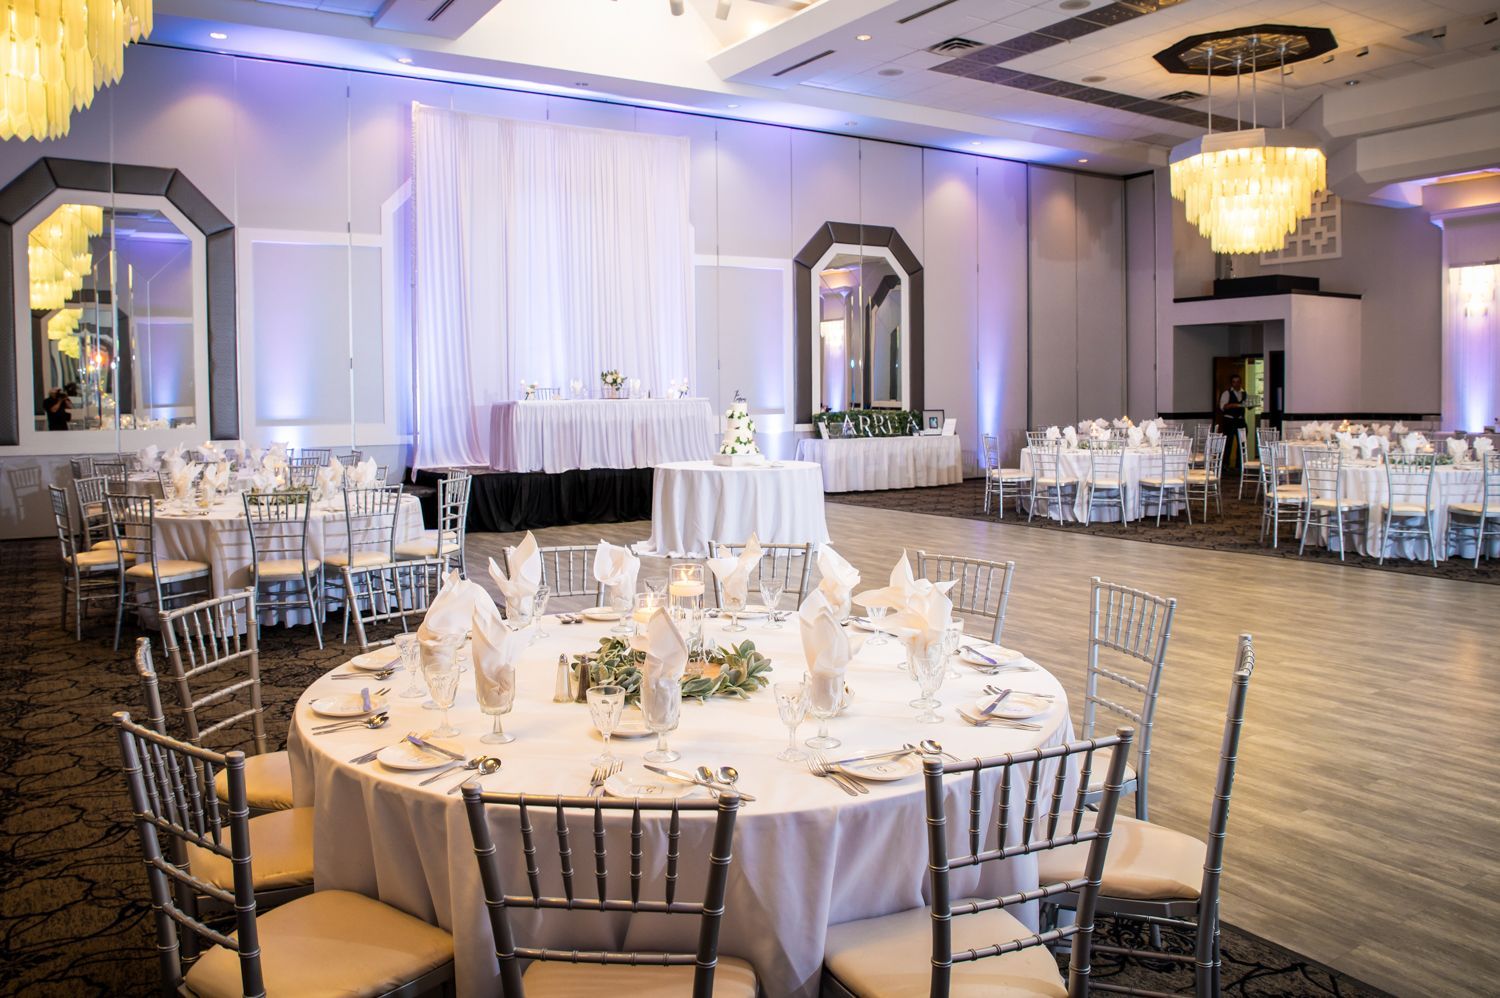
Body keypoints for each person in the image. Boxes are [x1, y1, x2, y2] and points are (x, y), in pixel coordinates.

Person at [1219, 374, 1248, 471]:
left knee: (1242, 443)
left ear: (1241, 382)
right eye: (1234, 382)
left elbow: (1247, 405)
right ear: (1231, 383)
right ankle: (1225, 464)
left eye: (1238, 382)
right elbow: (1223, 406)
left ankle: (1239, 465)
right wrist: (1236, 405)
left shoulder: (1244, 393)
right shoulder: (1227, 393)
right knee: (1228, 443)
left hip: (1240, 420)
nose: (1236, 384)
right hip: (1229, 420)